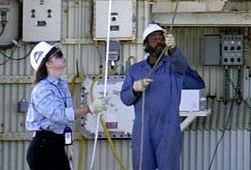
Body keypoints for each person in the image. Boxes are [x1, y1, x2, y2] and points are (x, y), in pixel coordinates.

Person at [120, 23, 203, 170]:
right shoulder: (135, 70)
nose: (159, 41)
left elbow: (181, 64)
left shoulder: (173, 67)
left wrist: (174, 49)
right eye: (154, 38)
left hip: (168, 130)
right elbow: (125, 99)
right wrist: (134, 89)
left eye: (161, 38)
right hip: (143, 130)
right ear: (146, 44)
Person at [26, 40, 104, 169]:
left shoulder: (61, 85)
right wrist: (89, 109)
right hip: (44, 148)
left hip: (56, 144)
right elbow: (60, 115)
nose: (63, 57)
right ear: (48, 63)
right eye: (58, 55)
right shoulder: (42, 89)